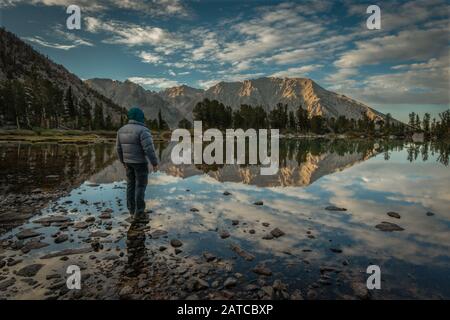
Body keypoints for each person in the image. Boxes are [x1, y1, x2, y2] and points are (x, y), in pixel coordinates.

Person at [116, 107, 158, 222]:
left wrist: (123, 161)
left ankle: (131, 210)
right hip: (140, 163)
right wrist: (154, 163)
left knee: (130, 185)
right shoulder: (143, 130)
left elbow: (118, 148)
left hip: (128, 162)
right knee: (140, 186)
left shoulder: (121, 130)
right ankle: (139, 212)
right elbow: (149, 149)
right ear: (141, 117)